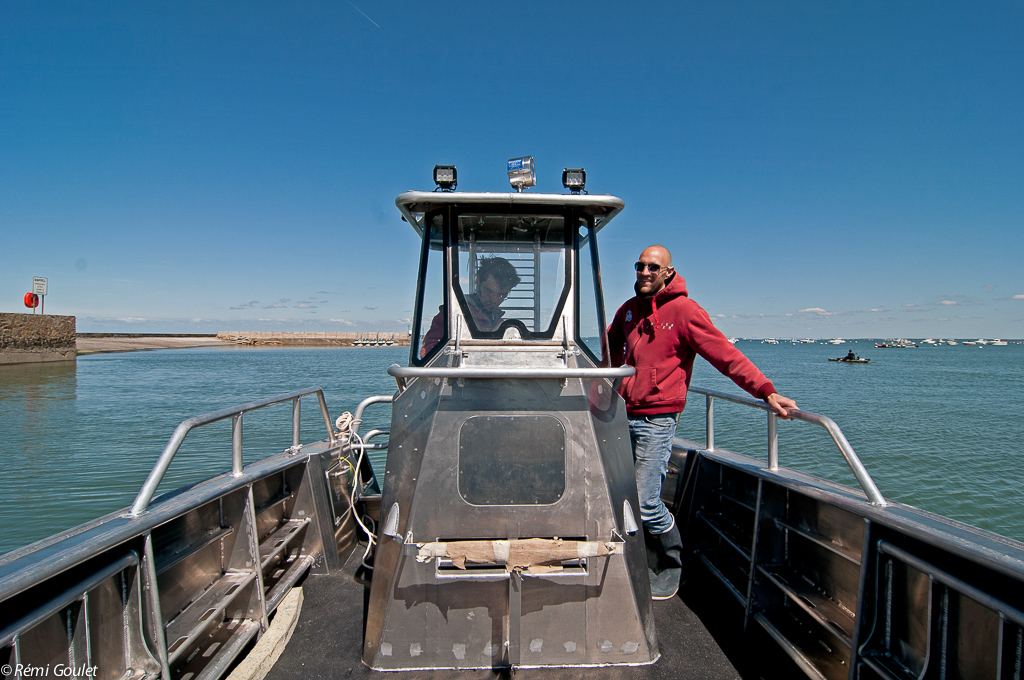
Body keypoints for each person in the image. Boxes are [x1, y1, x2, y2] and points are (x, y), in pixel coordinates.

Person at [607, 245, 798, 600]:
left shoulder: (684, 311)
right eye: (639, 266)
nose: (644, 272)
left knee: (647, 501)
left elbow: (725, 354)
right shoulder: (628, 311)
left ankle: (672, 563)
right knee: (622, 496)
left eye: (653, 267)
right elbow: (607, 346)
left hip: (657, 420)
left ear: (668, 272)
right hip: (621, 415)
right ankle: (638, 560)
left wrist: (765, 391)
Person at [420, 256, 521, 357]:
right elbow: (429, 351)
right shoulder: (454, 312)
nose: (494, 300)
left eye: (502, 295)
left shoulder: (497, 320)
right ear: (478, 280)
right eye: (489, 291)